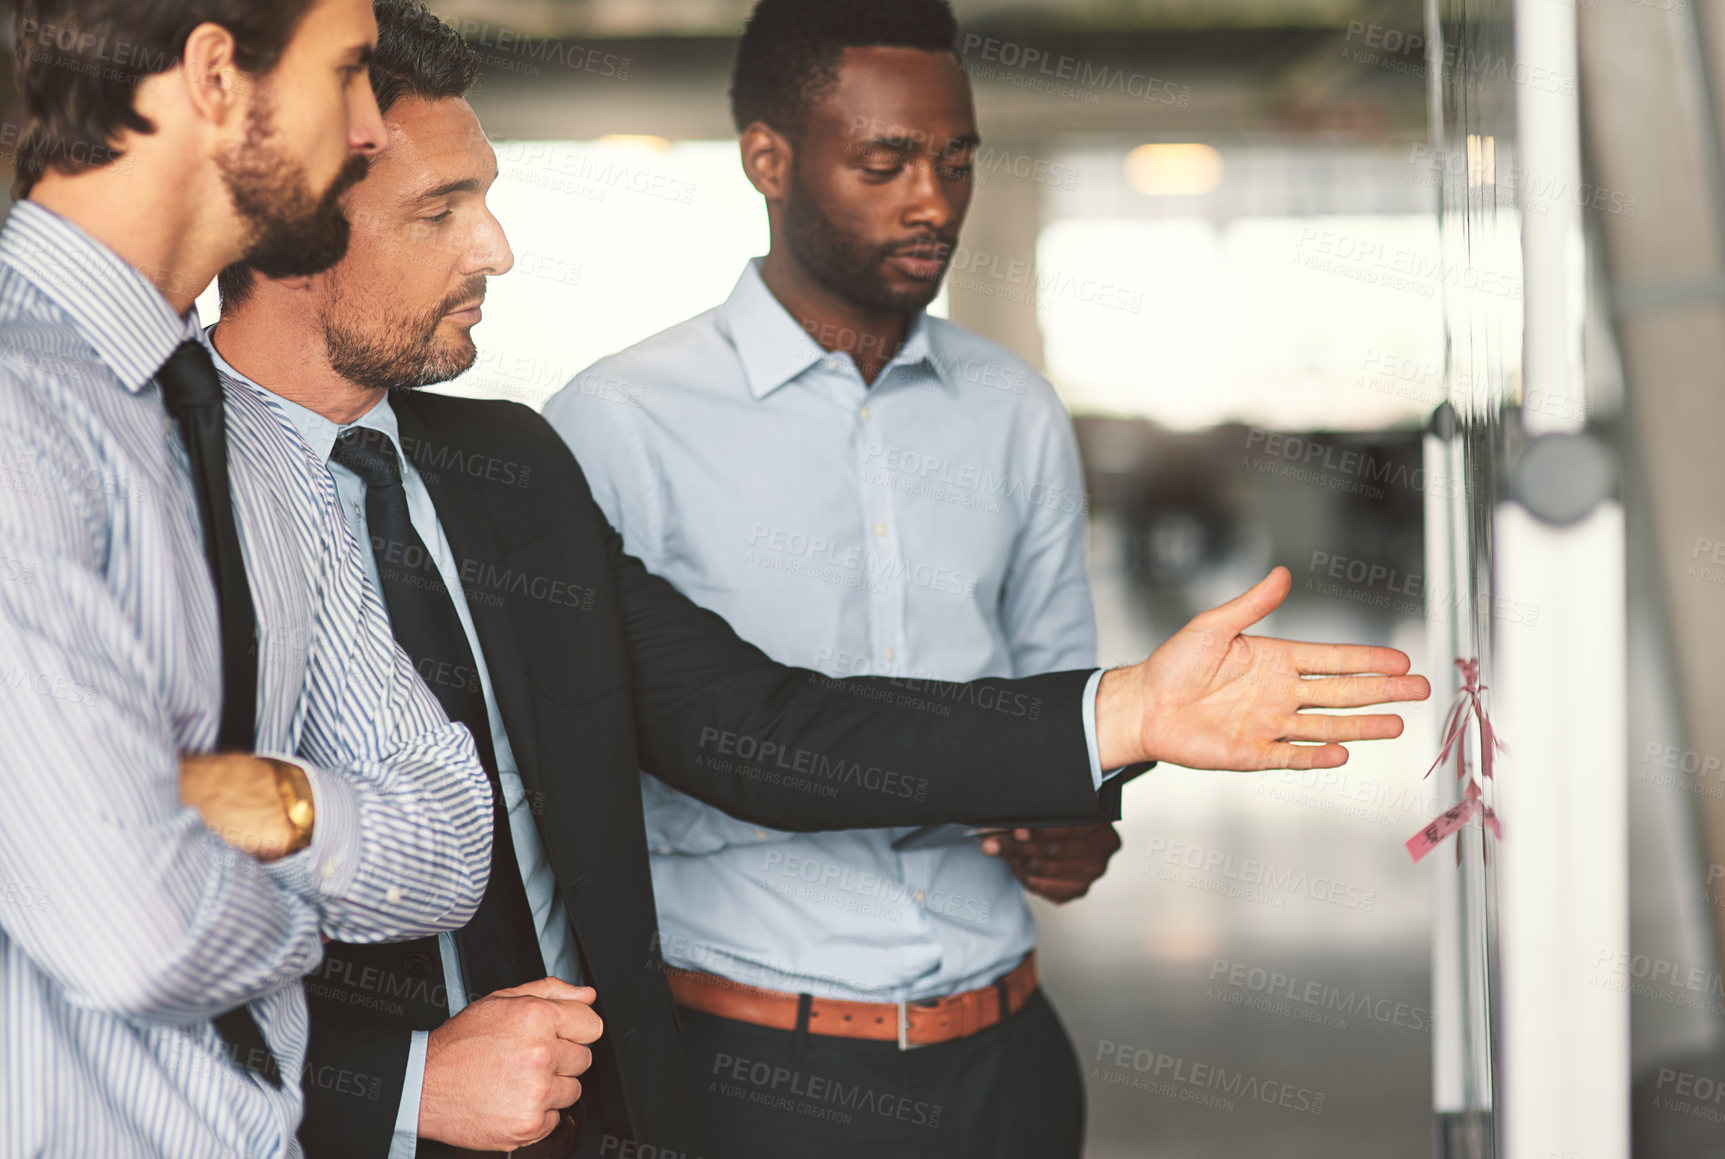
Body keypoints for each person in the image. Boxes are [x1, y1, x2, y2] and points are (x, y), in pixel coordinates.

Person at [213, 5, 1429, 1156]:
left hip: (594, 1110)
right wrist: (410, 1079)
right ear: (291, 221)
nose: (499, 248)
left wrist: (1124, 713)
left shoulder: (502, 465)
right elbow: (81, 925)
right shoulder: (155, 486)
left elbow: (750, 724)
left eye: (488, 198)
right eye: (442, 211)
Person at [541, 0, 1131, 1153]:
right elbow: (585, 766)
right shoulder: (619, 422)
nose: (933, 201)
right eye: (886, 162)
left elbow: (1065, 689)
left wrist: (1083, 817)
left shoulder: (1012, 409)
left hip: (1007, 1056)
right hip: (757, 1069)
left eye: (956, 160)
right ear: (768, 158)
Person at [0, 2, 506, 1156]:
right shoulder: (14, 412)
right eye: (348, 75)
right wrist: (301, 913)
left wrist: (255, 802)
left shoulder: (250, 440)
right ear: (217, 73)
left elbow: (449, 845)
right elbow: (134, 927)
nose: (372, 127)